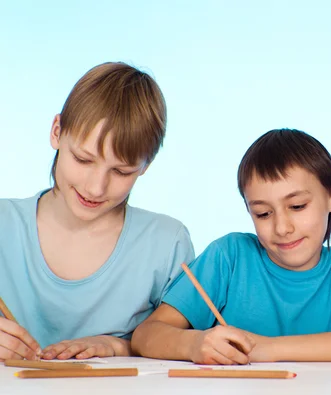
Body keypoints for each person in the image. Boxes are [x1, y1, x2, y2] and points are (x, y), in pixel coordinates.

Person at [132, 128, 331, 364]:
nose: (282, 228)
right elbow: (146, 335)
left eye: (297, 206)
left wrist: (269, 348)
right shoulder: (229, 257)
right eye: (263, 213)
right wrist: (193, 345)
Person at [0, 62, 194, 361]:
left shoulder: (167, 244)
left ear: (145, 167)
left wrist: (119, 346)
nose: (96, 188)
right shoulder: (4, 225)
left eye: (121, 171)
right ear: (56, 131)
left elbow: (187, 347)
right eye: (83, 159)